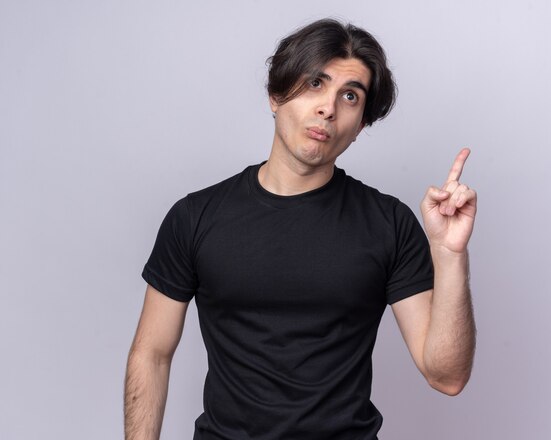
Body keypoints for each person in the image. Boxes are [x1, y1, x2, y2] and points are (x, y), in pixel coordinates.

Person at [124, 18, 477, 440]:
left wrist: (451, 255)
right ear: (275, 95)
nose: (329, 107)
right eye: (314, 83)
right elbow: (152, 354)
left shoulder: (390, 224)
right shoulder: (195, 217)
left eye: (350, 96)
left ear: (360, 125)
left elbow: (447, 376)